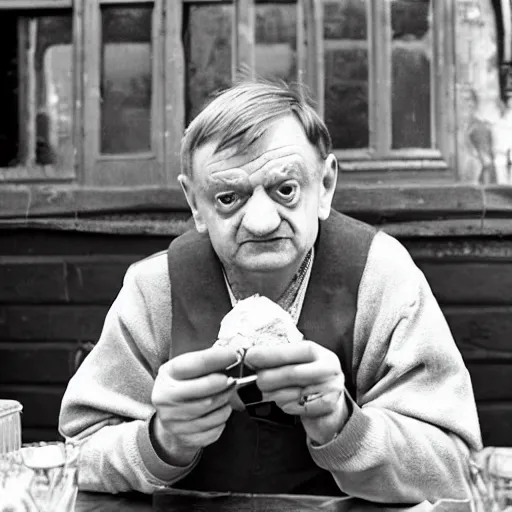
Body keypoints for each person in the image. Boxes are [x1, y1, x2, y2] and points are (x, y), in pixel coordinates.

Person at [59, 80, 482, 503]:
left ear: (326, 185)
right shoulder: (156, 288)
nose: (261, 221)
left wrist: (343, 425)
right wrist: (163, 440)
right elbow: (76, 457)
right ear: (194, 204)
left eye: (286, 190)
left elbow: (456, 469)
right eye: (228, 197)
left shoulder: (381, 276)